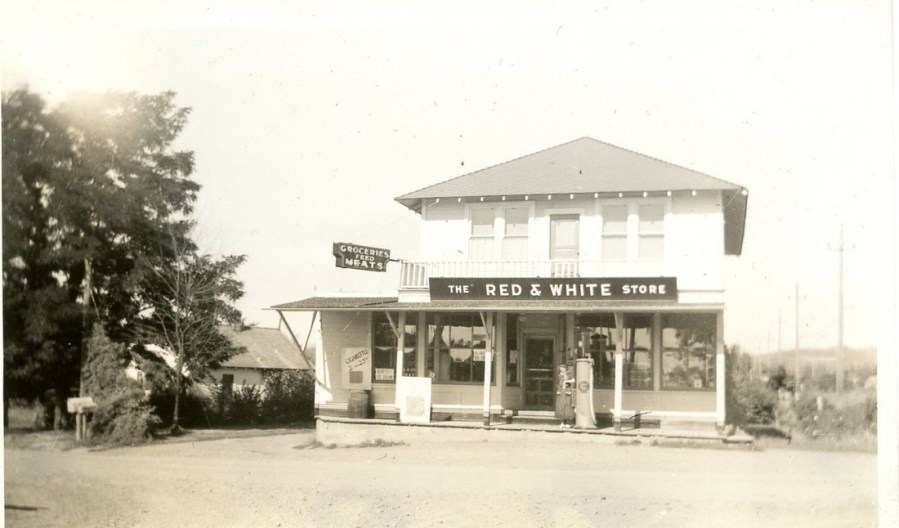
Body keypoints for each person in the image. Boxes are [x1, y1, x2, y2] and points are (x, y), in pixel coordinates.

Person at [556, 364, 575, 428]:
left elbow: (573, 380)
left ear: (565, 368)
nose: (562, 369)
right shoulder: (559, 375)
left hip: (567, 391)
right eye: (561, 368)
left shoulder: (568, 374)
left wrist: (566, 381)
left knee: (567, 406)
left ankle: (568, 422)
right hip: (561, 391)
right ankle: (562, 423)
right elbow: (557, 383)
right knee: (561, 406)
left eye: (563, 368)